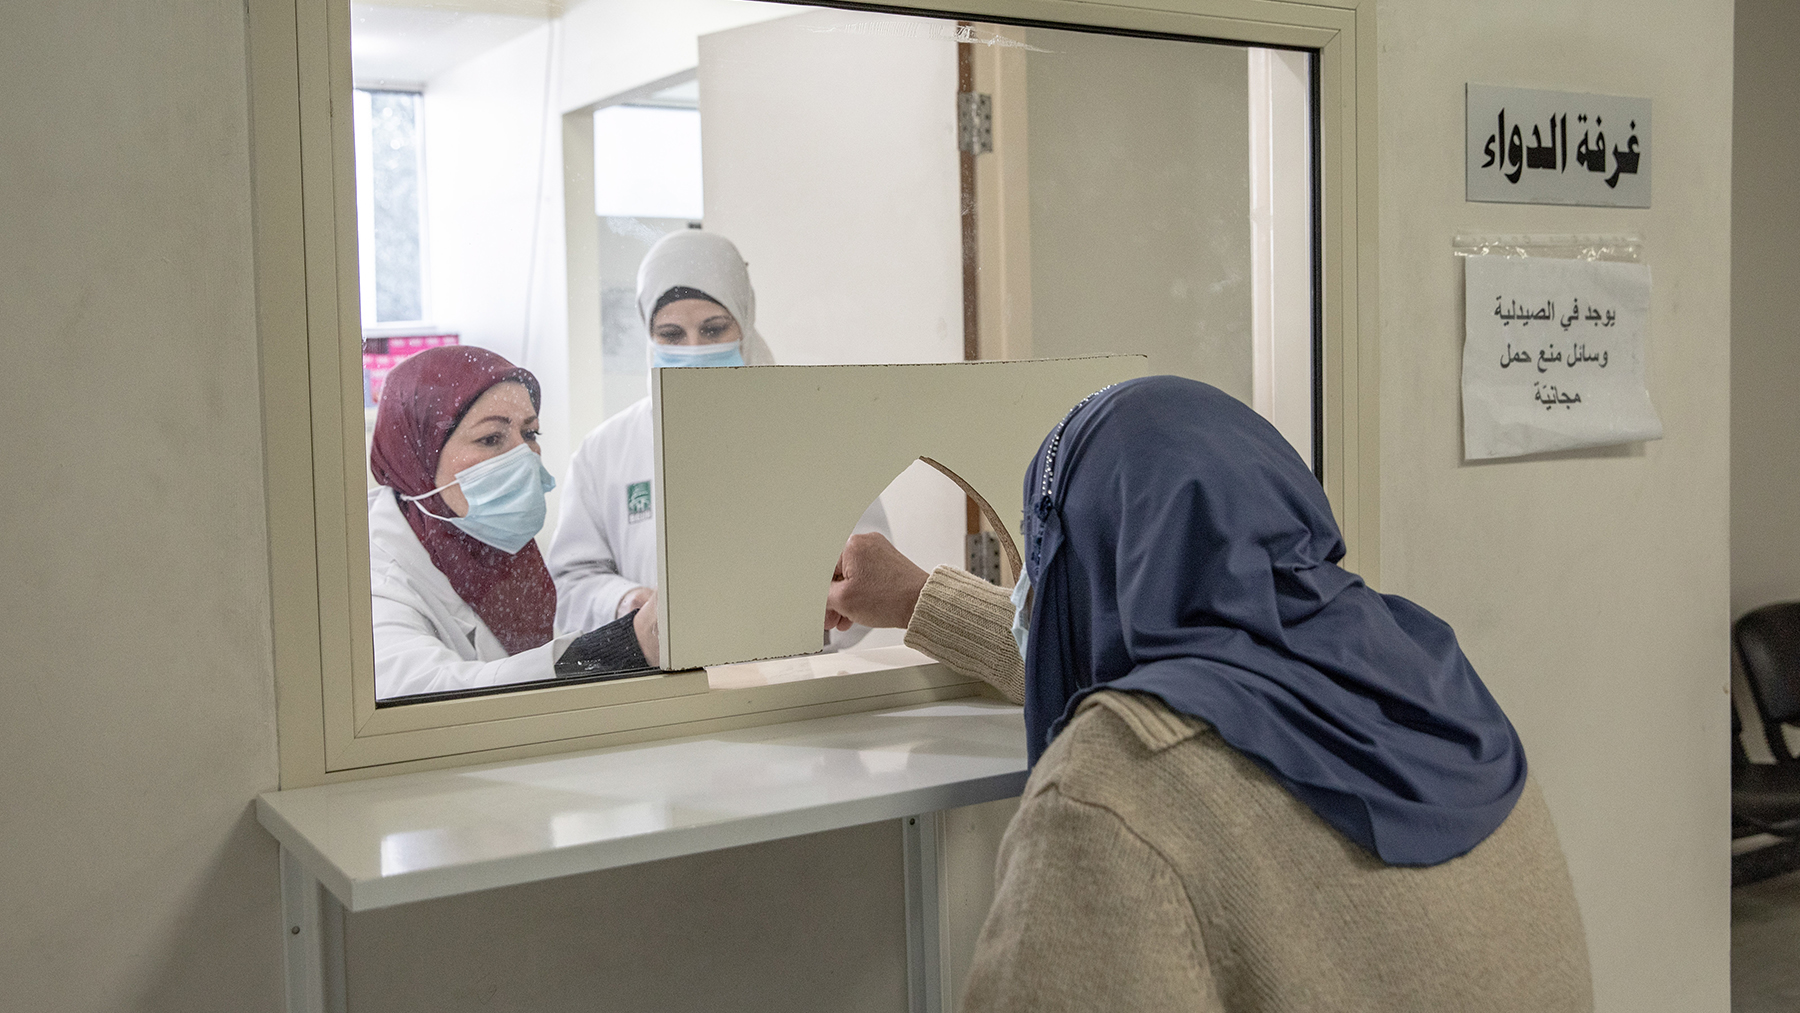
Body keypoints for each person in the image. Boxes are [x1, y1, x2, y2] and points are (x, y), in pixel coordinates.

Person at [824, 376, 1592, 1013]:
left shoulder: (1114, 792)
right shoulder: (1426, 685)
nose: (1030, 585)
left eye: (1042, 552)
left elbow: (1140, 705)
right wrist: (919, 597)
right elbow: (1122, 650)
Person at [549, 229, 887, 648]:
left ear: (743, 322)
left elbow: (869, 574)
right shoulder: (605, 451)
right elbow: (570, 582)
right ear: (648, 335)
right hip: (654, 685)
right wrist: (627, 601)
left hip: (793, 673)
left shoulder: (815, 432)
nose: (693, 349)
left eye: (713, 329)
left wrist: (800, 618)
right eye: (672, 335)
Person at [369, 346, 654, 700]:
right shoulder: (375, 577)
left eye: (530, 433)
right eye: (491, 439)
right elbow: (425, 695)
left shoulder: (496, 552)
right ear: (417, 455)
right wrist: (621, 647)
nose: (524, 456)